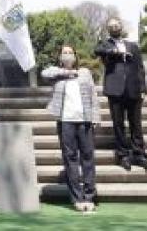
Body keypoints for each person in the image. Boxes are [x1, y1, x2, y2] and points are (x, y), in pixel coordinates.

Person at [42, 45, 100, 213]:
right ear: (60, 57)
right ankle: (76, 198)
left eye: (70, 53)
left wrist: (96, 116)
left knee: (88, 157)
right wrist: (66, 73)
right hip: (65, 120)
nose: (67, 55)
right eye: (64, 53)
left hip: (84, 120)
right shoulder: (57, 74)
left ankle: (89, 196)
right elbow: (45, 73)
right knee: (70, 158)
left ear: (75, 56)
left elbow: (93, 95)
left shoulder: (85, 73)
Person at [94, 17, 147, 172]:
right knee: (118, 125)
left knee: (136, 124)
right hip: (115, 90)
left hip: (133, 89)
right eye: (111, 25)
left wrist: (143, 89)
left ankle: (139, 153)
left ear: (121, 26)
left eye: (116, 24)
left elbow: (140, 68)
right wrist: (114, 52)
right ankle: (122, 155)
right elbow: (97, 50)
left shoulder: (132, 45)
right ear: (108, 28)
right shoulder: (105, 44)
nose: (114, 27)